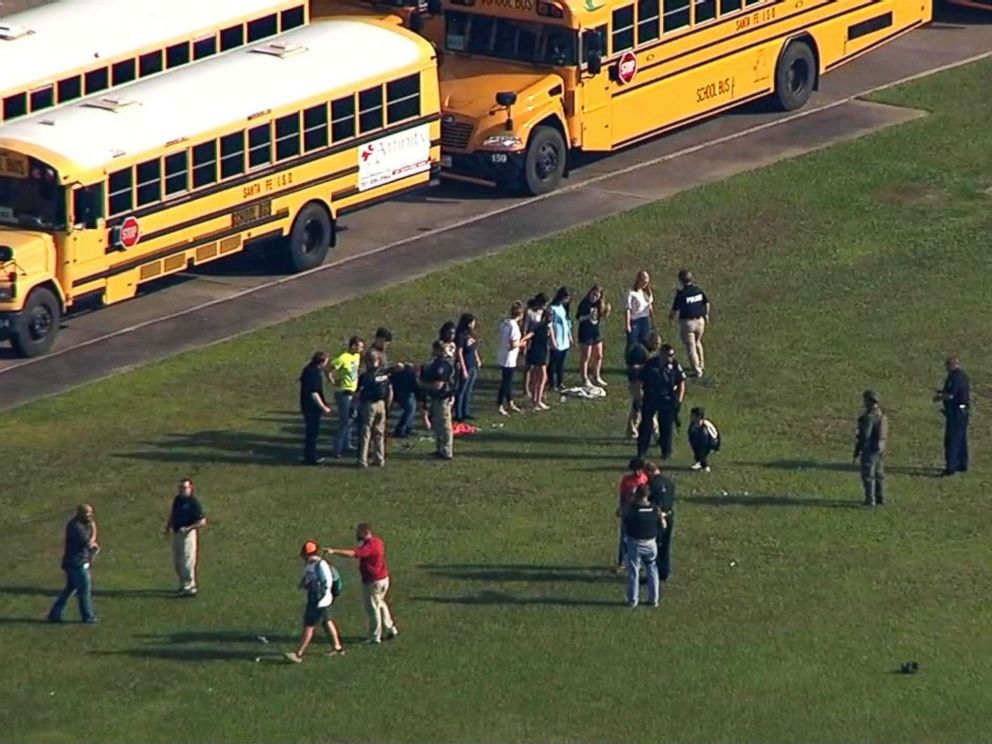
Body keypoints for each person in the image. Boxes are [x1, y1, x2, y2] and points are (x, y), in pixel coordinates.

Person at [325, 523, 398, 645]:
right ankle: (390, 628)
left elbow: (354, 554)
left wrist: (333, 551)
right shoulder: (378, 542)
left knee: (373, 609)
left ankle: (375, 636)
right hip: (383, 578)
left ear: (364, 534)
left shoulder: (368, 548)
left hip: (373, 582)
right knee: (380, 604)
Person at [284, 541, 344, 663]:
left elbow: (327, 581)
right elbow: (308, 578)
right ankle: (337, 647)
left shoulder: (321, 564)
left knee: (309, 625)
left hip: (319, 599)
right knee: (327, 621)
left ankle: (298, 654)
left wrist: (323, 598)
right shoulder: (309, 565)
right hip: (317, 598)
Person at [47, 504, 99, 623]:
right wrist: (94, 529)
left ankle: (55, 614)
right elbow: (88, 543)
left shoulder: (81, 524)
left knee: (69, 589)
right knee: (84, 590)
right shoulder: (75, 527)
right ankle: (88, 616)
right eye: (87, 514)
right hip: (76, 564)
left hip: (75, 562)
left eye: (91, 513)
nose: (90, 516)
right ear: (80, 513)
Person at [637, 340, 686, 461]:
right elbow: (639, 381)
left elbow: (681, 383)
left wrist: (678, 401)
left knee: (666, 426)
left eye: (672, 355)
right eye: (669, 355)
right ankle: (642, 451)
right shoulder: (650, 364)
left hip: (667, 399)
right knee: (646, 426)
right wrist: (639, 397)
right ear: (662, 354)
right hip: (651, 397)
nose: (671, 358)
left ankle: (666, 451)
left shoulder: (674, 365)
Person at [622, 485, 664, 609]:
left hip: (635, 543)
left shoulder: (632, 509)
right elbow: (662, 523)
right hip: (651, 543)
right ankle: (654, 599)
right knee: (652, 569)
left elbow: (622, 517)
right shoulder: (655, 508)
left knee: (633, 571)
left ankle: (633, 600)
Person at [164, 478, 207, 596]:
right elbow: (173, 514)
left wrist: (188, 528)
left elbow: (202, 522)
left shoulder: (193, 503)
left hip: (187, 535)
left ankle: (190, 587)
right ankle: (182, 584)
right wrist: (168, 528)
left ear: (190, 488)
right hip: (177, 533)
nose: (182, 490)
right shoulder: (177, 500)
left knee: (187, 560)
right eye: (180, 488)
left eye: (185, 488)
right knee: (177, 561)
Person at [668, 269, 710, 378]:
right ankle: (701, 364)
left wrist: (671, 318)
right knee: (698, 342)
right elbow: (706, 303)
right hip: (700, 321)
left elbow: (674, 310)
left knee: (691, 347)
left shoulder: (682, 294)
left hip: (688, 323)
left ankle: (697, 370)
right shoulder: (698, 290)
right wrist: (706, 315)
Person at [354, 351, 392, 468]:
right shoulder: (384, 374)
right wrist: (387, 405)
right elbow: (390, 390)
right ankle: (380, 459)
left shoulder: (365, 376)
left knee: (366, 433)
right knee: (379, 433)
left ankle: (363, 460)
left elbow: (359, 392)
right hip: (382, 403)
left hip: (369, 404)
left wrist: (356, 404)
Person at [933, 355, 970, 476]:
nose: (946, 368)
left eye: (947, 365)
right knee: (961, 438)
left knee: (952, 439)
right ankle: (962, 464)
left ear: (952, 365)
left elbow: (951, 395)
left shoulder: (955, 377)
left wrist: (939, 397)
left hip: (956, 413)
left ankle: (951, 467)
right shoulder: (962, 376)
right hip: (962, 411)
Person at [421, 340, 456, 460]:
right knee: (437, 424)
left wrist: (422, 384)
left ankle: (447, 451)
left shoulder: (442, 365)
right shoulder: (438, 362)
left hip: (443, 398)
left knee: (445, 425)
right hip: (438, 397)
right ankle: (440, 448)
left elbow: (438, 385)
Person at [496, 301, 532, 416]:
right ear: (520, 315)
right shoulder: (514, 327)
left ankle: (510, 401)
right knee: (506, 382)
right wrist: (522, 343)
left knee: (508, 381)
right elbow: (513, 344)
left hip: (502, 355)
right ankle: (500, 404)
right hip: (509, 358)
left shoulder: (505, 323)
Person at [330, 337, 364, 458]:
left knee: (351, 419)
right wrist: (333, 381)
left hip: (353, 392)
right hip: (344, 393)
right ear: (353, 346)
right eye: (360, 346)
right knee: (344, 421)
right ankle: (337, 449)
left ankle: (347, 444)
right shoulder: (343, 358)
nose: (361, 349)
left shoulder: (357, 357)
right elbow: (328, 368)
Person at [853, 390, 888, 507]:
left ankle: (870, 499)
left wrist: (860, 442)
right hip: (880, 448)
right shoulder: (881, 414)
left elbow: (865, 435)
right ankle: (880, 498)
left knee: (868, 475)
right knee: (879, 474)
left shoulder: (869, 417)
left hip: (870, 449)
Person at [299, 351, 332, 465]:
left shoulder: (308, 370)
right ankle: (311, 457)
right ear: (321, 362)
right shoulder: (314, 374)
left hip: (306, 406)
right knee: (312, 433)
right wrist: (324, 407)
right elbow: (314, 393)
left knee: (311, 432)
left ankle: (309, 455)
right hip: (312, 408)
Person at [615, 458, 647, 572]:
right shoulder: (627, 480)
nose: (637, 473)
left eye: (639, 470)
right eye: (635, 471)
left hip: (641, 511)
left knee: (641, 537)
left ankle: (640, 562)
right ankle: (622, 562)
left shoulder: (645, 479)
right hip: (629, 511)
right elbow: (623, 495)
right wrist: (621, 507)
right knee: (625, 537)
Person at [645, 462, 676, 582]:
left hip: (657, 518)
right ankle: (665, 571)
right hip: (669, 516)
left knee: (655, 546)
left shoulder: (652, 484)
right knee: (666, 545)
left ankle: (654, 573)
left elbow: (652, 503)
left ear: (649, 472)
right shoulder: (669, 483)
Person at [577, 284, 610, 387]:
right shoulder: (584, 304)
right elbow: (579, 318)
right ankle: (585, 378)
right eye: (593, 294)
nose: (594, 297)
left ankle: (597, 376)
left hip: (596, 332)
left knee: (599, 355)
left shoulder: (599, 304)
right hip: (585, 333)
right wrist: (588, 316)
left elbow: (600, 317)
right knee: (586, 356)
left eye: (597, 296)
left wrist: (606, 311)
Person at [454, 314, 481, 422]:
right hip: (466, 365)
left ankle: (466, 412)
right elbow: (459, 352)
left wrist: (477, 359)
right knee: (461, 390)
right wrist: (463, 369)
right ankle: (458, 413)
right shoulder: (461, 335)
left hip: (472, 364)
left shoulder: (470, 335)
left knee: (468, 390)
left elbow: (474, 348)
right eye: (472, 322)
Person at [522, 294, 548, 399]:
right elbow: (525, 328)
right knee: (528, 366)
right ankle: (526, 388)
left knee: (537, 367)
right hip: (531, 341)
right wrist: (525, 343)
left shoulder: (543, 312)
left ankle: (536, 389)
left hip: (540, 341)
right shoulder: (529, 313)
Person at [548, 287, 573, 392]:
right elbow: (550, 325)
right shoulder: (552, 309)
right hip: (557, 339)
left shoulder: (563, 307)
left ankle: (560, 382)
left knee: (561, 364)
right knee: (553, 363)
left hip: (564, 340)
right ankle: (551, 383)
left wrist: (570, 336)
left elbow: (566, 324)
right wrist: (552, 340)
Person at [526, 307, 551, 410]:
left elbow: (530, 335)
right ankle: (537, 401)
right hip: (540, 353)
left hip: (534, 352)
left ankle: (535, 399)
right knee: (542, 378)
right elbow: (553, 343)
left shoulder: (537, 325)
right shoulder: (545, 327)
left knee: (536, 377)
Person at [625, 335, 651, 439]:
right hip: (637, 383)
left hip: (642, 383)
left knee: (641, 407)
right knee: (638, 406)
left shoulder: (645, 350)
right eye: (655, 343)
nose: (657, 346)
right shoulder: (640, 351)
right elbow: (632, 367)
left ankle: (634, 429)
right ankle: (632, 429)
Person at [624, 270, 653, 352]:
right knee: (632, 343)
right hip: (635, 320)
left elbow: (650, 307)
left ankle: (644, 360)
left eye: (646, 282)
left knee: (645, 341)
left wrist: (652, 321)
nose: (645, 284)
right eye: (643, 282)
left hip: (645, 320)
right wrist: (627, 325)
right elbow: (628, 309)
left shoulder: (647, 293)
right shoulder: (631, 293)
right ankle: (630, 361)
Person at [390, 362, 420, 438]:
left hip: (398, 393)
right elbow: (416, 387)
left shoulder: (399, 374)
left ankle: (407, 428)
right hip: (406, 393)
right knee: (410, 410)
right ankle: (402, 430)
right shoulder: (412, 375)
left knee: (410, 410)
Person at [688, 407, 720, 472]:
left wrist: (714, 447)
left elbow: (715, 436)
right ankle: (699, 462)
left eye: (692, 415)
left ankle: (705, 465)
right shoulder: (692, 425)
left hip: (709, 442)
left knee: (701, 450)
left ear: (698, 416)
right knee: (697, 449)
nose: (690, 417)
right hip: (699, 442)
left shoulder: (706, 426)